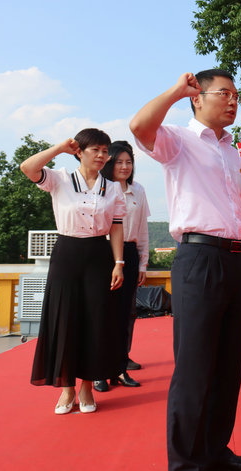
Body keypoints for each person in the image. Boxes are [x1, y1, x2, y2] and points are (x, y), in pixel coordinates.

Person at [130, 69, 241, 471]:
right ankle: (187, 463)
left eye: (237, 95)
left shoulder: (231, 150)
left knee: (228, 365)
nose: (233, 101)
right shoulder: (180, 140)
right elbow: (138, 125)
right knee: (194, 366)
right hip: (198, 260)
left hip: (237, 257)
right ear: (197, 98)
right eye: (224, 93)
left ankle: (216, 452)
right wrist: (174, 89)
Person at [21, 128, 126, 415]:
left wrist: (119, 263)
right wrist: (59, 148)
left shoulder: (113, 188)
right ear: (79, 151)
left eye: (106, 151)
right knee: (64, 318)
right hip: (66, 253)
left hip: (98, 255)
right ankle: (67, 388)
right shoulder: (61, 178)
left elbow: (117, 226)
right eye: (96, 150)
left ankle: (87, 386)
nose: (103, 156)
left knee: (95, 320)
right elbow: (28, 168)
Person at [93, 141, 150, 392]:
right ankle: (97, 371)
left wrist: (143, 263)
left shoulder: (138, 190)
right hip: (104, 254)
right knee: (102, 314)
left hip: (129, 252)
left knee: (126, 314)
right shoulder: (100, 188)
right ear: (109, 163)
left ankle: (119, 367)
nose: (125, 166)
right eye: (119, 162)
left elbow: (143, 231)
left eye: (129, 162)